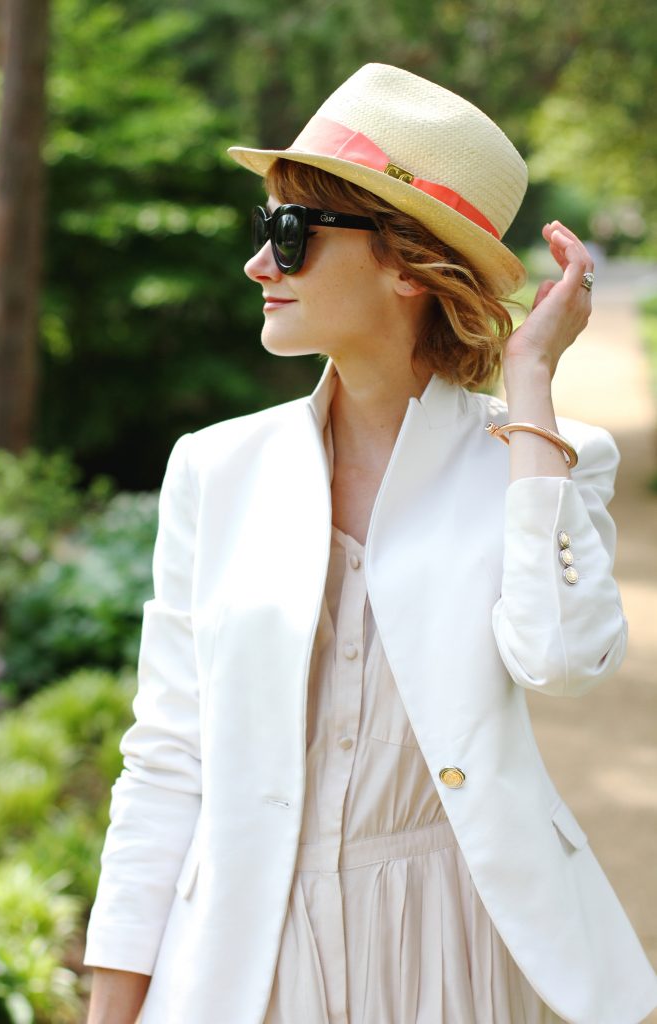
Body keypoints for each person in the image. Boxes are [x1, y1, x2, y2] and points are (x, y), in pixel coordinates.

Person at [83, 64, 657, 1024]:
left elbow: (559, 660)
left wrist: (529, 390)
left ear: (405, 264)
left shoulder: (542, 462)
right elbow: (168, 755)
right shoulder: (213, 469)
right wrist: (111, 1007)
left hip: (449, 942)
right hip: (243, 956)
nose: (257, 265)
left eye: (291, 234)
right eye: (262, 233)